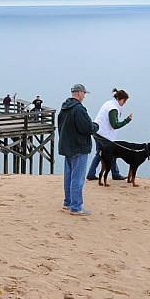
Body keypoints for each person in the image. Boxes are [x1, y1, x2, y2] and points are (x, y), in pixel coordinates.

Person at [58, 84, 99, 216]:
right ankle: (76, 207)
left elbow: (60, 127)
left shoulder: (64, 108)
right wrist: (96, 126)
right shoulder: (79, 109)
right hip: (79, 147)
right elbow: (87, 128)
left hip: (67, 147)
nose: (84, 96)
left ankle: (68, 202)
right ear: (80, 93)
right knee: (78, 178)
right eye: (84, 94)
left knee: (69, 176)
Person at [87, 88, 133, 181]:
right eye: (124, 101)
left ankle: (91, 174)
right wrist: (127, 120)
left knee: (99, 153)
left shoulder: (109, 103)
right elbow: (115, 125)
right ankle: (115, 174)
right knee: (111, 153)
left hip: (97, 131)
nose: (124, 103)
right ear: (120, 99)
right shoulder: (113, 109)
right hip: (104, 135)